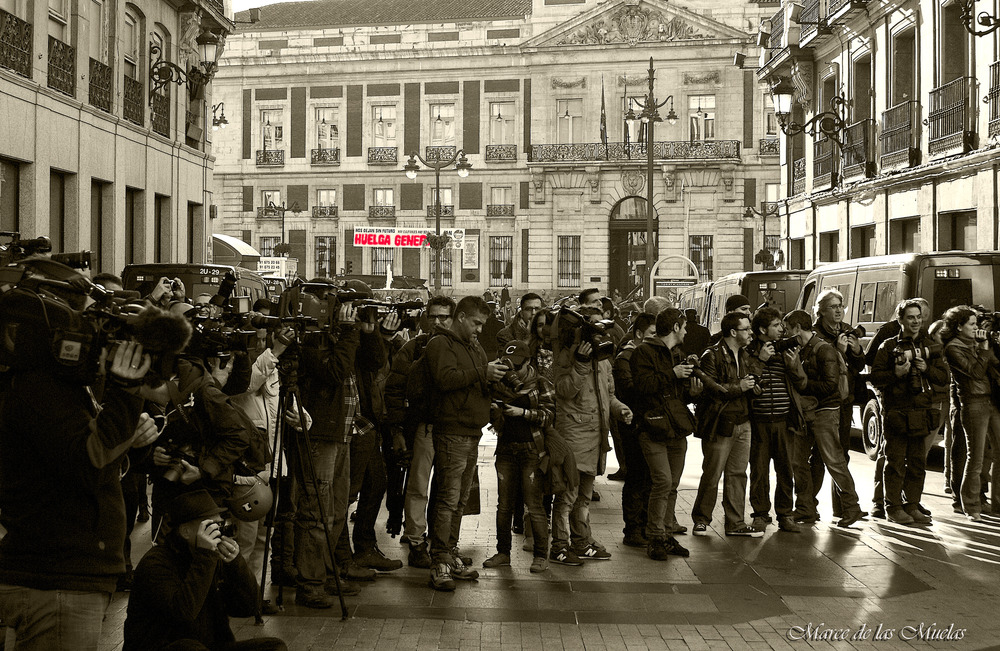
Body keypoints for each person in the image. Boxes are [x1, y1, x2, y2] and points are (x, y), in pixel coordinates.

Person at [0, 275, 158, 650]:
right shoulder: (38, 390)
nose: (96, 342)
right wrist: (126, 393)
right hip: (54, 582)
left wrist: (130, 444)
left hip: (67, 577)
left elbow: (82, 461)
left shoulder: (58, 388)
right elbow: (86, 463)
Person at [124, 490, 286, 651]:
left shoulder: (211, 557)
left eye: (219, 525)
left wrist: (235, 563)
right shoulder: (156, 563)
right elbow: (183, 614)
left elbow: (249, 607)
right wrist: (205, 557)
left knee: (274, 647)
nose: (217, 532)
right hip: (164, 646)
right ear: (185, 531)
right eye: (209, 526)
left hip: (208, 646)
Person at [426, 296, 508, 591]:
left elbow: (474, 380)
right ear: (460, 317)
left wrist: (492, 381)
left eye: (483, 324)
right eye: (476, 323)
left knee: (460, 499)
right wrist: (481, 373)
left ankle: (449, 551)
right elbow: (445, 379)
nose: (479, 329)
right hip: (451, 431)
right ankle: (439, 559)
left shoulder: (472, 347)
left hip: (471, 432)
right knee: (448, 499)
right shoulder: (441, 344)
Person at [550, 304, 633, 565]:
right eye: (594, 327)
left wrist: (621, 411)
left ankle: (581, 541)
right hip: (575, 437)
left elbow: (608, 396)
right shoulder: (566, 357)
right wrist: (581, 364)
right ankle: (560, 546)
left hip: (596, 438)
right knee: (567, 497)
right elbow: (563, 391)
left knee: (584, 497)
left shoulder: (604, 361)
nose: (600, 333)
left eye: (602, 326)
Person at [383, 296, 457, 569]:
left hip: (454, 429)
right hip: (424, 427)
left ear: (453, 318)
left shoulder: (461, 347)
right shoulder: (413, 348)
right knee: (418, 487)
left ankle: (445, 543)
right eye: (433, 317)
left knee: (449, 490)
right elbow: (394, 390)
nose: (438, 322)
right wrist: (398, 430)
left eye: (444, 317)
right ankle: (416, 540)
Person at [782, 310, 867, 528]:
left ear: (798, 328)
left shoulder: (824, 350)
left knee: (834, 461)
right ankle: (805, 508)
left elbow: (830, 386)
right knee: (798, 461)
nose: (786, 335)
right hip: (809, 412)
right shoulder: (803, 349)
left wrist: (802, 383)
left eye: (788, 330)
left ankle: (851, 506)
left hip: (824, 412)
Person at [870, 300, 948, 525]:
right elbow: (876, 378)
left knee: (917, 463)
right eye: (911, 317)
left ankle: (912, 505)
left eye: (918, 317)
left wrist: (927, 369)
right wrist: (896, 373)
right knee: (894, 463)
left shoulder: (929, 344)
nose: (916, 321)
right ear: (900, 320)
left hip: (921, 411)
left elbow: (943, 377)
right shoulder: (887, 346)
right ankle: (893, 508)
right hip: (896, 412)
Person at [631, 308, 700, 558]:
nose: (686, 330)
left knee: (672, 484)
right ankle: (656, 537)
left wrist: (692, 390)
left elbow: (677, 394)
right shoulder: (643, 352)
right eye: (683, 326)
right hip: (653, 427)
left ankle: (666, 532)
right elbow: (643, 387)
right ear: (675, 328)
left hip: (675, 429)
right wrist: (672, 374)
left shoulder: (676, 354)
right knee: (662, 481)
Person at [483, 340, 555, 573]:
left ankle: (541, 555)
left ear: (528, 362)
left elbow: (549, 415)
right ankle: (503, 552)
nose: (512, 371)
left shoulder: (540, 383)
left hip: (531, 450)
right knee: (503, 505)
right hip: (505, 448)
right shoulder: (497, 382)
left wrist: (522, 413)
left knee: (534, 505)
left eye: (517, 365)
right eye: (508, 365)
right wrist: (493, 412)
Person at [691, 311, 761, 538]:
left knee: (738, 474)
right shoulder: (712, 355)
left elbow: (750, 381)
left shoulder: (746, 355)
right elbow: (713, 391)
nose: (750, 333)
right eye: (746, 329)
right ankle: (701, 519)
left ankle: (735, 522)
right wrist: (739, 387)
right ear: (733, 332)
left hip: (743, 420)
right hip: (720, 422)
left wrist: (755, 385)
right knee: (712, 473)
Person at [745, 307, 801, 533]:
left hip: (783, 419)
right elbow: (745, 379)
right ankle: (760, 514)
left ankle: (785, 514)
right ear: (762, 329)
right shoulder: (748, 351)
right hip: (757, 420)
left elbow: (800, 382)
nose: (782, 329)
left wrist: (794, 364)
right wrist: (760, 358)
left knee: (785, 469)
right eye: (777, 326)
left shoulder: (785, 349)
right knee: (759, 470)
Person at [811, 288, 866, 520]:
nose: (838, 311)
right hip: (822, 403)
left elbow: (859, 366)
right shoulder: (815, 335)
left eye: (840, 306)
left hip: (844, 400)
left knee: (842, 454)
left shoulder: (846, 330)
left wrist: (856, 350)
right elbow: (823, 367)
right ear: (821, 311)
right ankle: (808, 505)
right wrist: (840, 351)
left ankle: (841, 506)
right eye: (833, 306)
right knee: (819, 457)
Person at [943, 306, 1000, 521]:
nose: (977, 328)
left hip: (990, 400)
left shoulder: (978, 344)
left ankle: (997, 503)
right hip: (973, 402)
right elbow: (975, 372)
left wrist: (990, 346)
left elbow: (995, 364)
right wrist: (983, 348)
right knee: (975, 456)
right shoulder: (953, 348)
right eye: (972, 324)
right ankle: (970, 504)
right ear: (959, 327)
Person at [612, 312, 657, 547]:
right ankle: (633, 528)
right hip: (632, 425)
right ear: (639, 334)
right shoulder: (626, 358)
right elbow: (628, 390)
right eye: (652, 334)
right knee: (636, 477)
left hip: (650, 424)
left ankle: (646, 524)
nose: (656, 338)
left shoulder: (653, 355)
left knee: (650, 478)